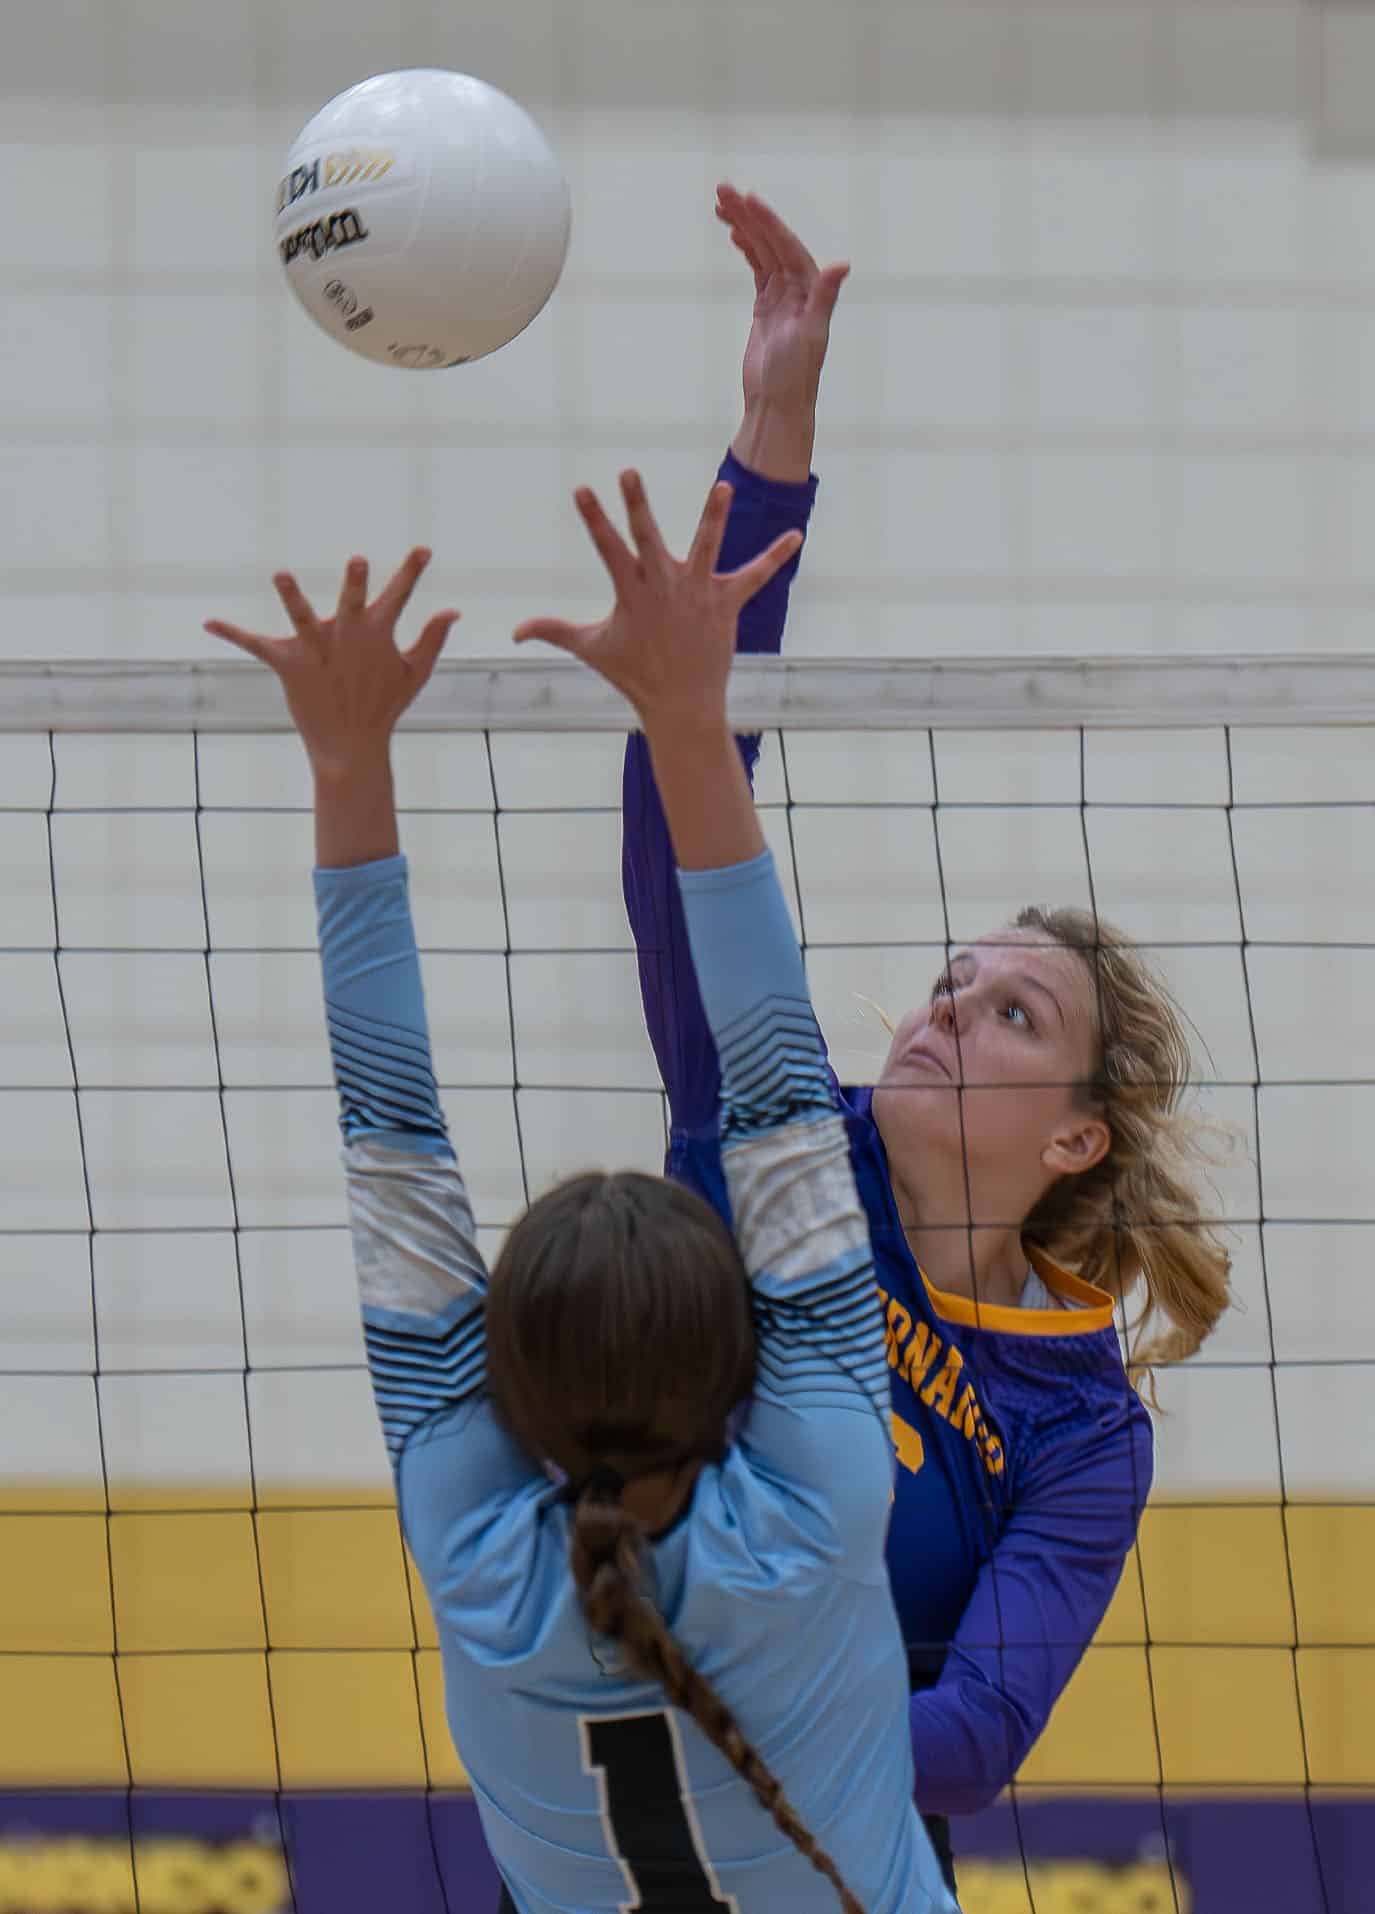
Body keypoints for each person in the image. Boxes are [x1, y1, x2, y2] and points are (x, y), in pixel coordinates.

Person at [205, 481, 960, 1914]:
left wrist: (350, 758)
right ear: (745, 1357)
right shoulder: (798, 1502)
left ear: (506, 1375)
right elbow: (399, 1133)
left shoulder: (488, 1539)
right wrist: (357, 761)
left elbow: (762, 1098)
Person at [621, 187, 1234, 1888]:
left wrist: (687, 1675)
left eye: (1013, 1010)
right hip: (626, 1846)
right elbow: (687, 816)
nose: (950, 1005)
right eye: (956, 978)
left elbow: (973, 1741)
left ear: (1074, 1139)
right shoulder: (778, 1148)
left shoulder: (1081, 1424)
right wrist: (772, 431)